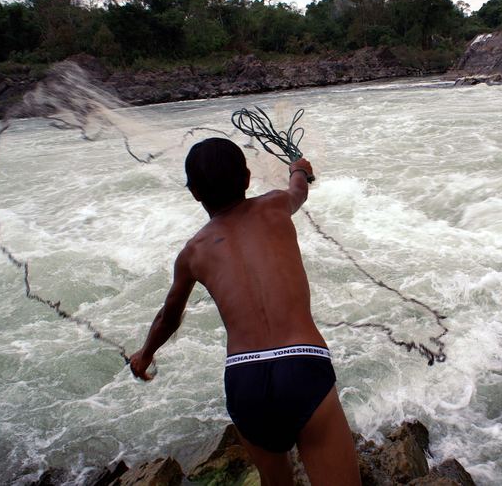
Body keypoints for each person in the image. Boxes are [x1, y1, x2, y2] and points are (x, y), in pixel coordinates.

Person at [129, 137, 361, 486]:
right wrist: (300, 169)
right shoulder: (275, 205)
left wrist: (144, 356)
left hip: (244, 377)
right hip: (302, 361)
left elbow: (168, 317)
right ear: (248, 177)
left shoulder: (193, 252)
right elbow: (298, 189)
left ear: (194, 193)